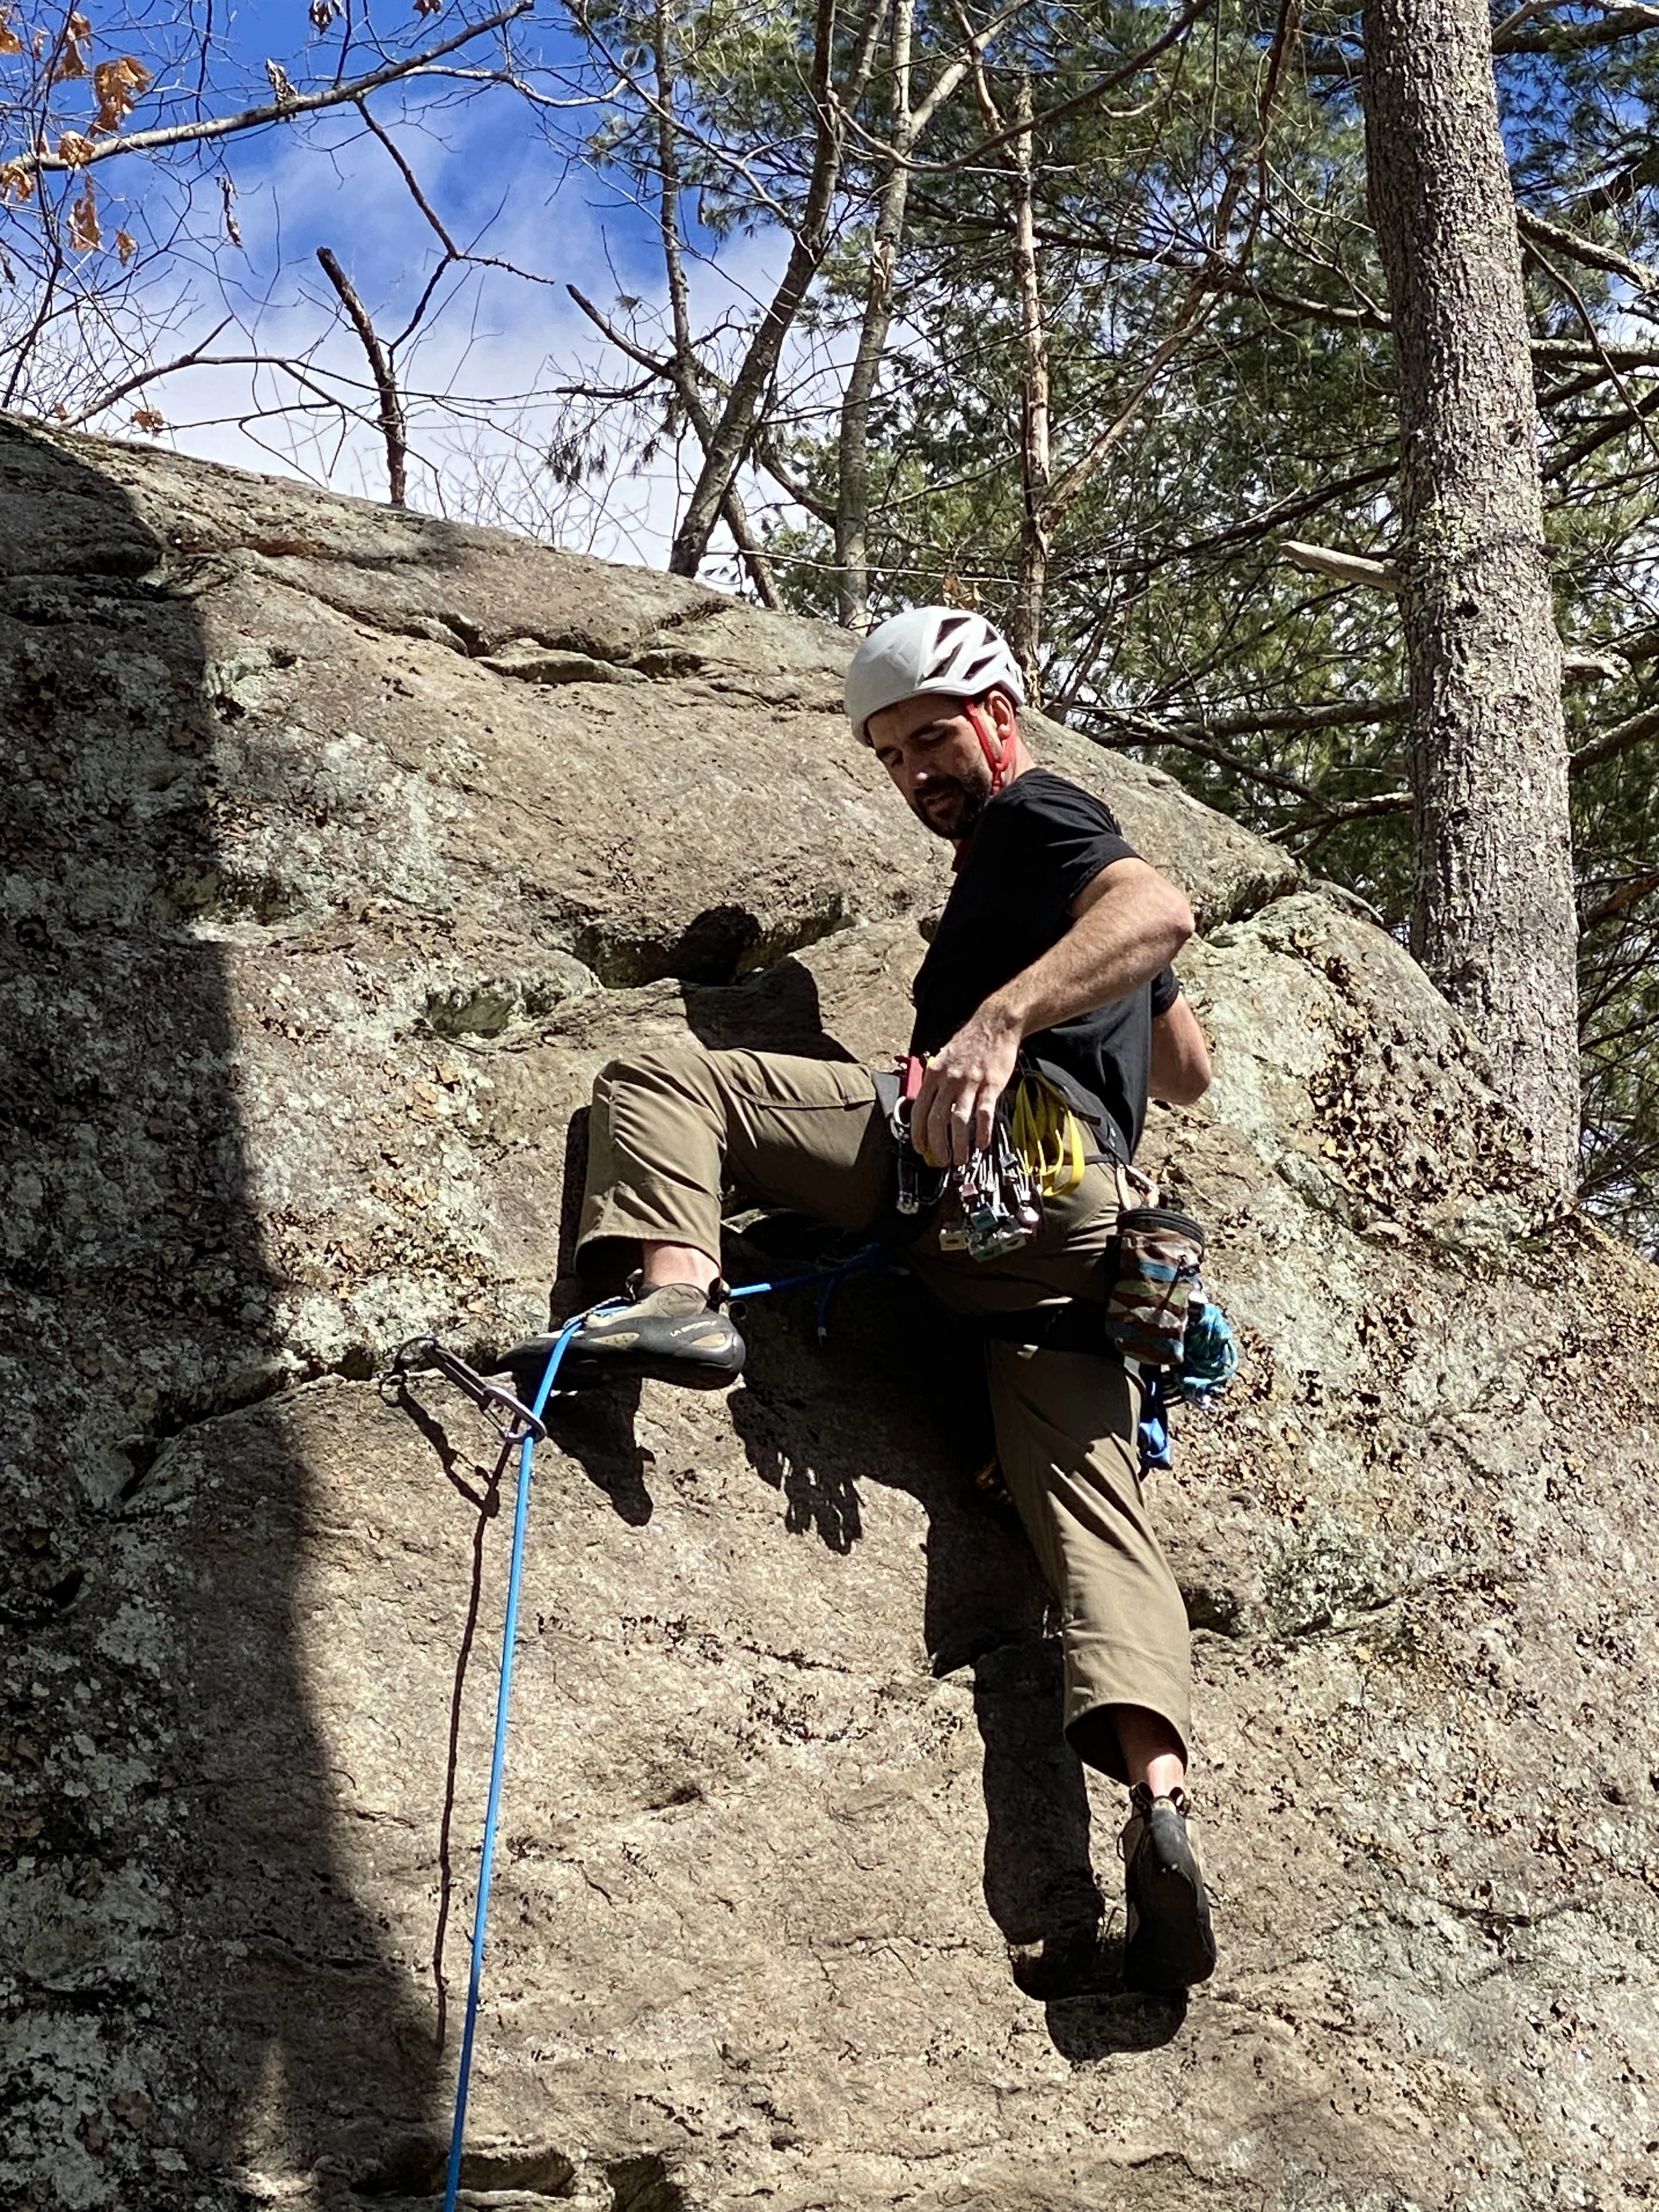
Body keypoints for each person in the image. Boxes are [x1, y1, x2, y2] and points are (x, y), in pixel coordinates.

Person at [501, 607, 1218, 1993]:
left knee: (659, 1078)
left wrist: (998, 1019)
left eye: (934, 738)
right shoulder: (1054, 885)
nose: (917, 774)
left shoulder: (1040, 818)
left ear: (1001, 712)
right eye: (891, 756)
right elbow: (1186, 1070)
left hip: (999, 1167)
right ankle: (1160, 1805)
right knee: (1096, 1534)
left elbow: (1158, 909)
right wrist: (1106, 985)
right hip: (1070, 1259)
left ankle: (676, 1294)